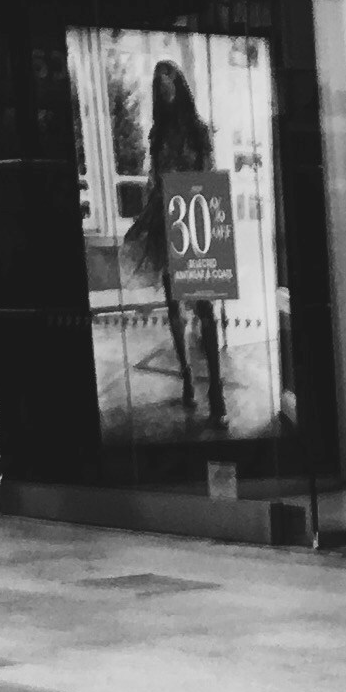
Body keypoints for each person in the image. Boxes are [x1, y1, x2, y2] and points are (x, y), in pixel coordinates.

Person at [138, 58, 226, 430]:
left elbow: (209, 172)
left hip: (196, 216)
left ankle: (217, 390)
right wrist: (154, 201)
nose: (165, 90)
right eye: (159, 86)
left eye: (169, 82)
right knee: (173, 302)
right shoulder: (157, 135)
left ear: (180, 85)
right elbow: (154, 178)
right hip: (167, 218)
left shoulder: (198, 129)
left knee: (204, 307)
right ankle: (188, 375)